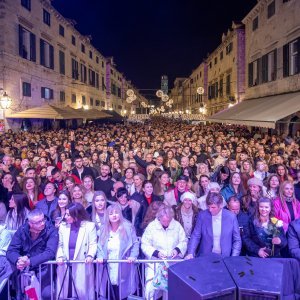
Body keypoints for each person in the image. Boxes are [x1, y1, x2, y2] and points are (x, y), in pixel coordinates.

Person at [7, 209, 58, 300]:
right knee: (29, 296)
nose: (42, 223)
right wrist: (18, 260)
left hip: (44, 269)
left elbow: (50, 252)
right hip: (25, 272)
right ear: (30, 223)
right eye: (38, 222)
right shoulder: (22, 230)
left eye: (43, 220)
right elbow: (11, 250)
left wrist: (29, 261)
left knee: (45, 295)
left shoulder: (51, 230)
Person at [141, 204, 187, 300]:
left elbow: (184, 241)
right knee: (150, 291)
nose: (166, 223)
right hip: (154, 265)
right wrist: (156, 253)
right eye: (164, 221)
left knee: (171, 292)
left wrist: (177, 250)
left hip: (172, 264)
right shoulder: (151, 227)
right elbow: (144, 244)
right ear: (159, 218)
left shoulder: (177, 226)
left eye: (168, 221)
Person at [97, 204, 139, 300]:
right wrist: (100, 257)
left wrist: (133, 256)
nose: (114, 215)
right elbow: (99, 247)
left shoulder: (128, 227)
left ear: (120, 214)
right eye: (111, 214)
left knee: (123, 295)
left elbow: (135, 244)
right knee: (109, 294)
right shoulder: (103, 229)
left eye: (116, 213)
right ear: (108, 216)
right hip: (107, 267)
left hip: (124, 266)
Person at [56, 202, 97, 300]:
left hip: (82, 264)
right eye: (65, 214)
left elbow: (93, 244)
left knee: (81, 293)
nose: (65, 217)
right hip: (65, 265)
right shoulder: (63, 226)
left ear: (76, 215)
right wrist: (60, 257)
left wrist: (90, 255)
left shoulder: (89, 226)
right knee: (65, 292)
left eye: (68, 214)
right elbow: (60, 245)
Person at [186, 192, 241, 258]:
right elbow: (196, 235)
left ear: (220, 205)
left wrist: (234, 257)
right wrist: (191, 252)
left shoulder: (231, 217)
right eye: (208, 207)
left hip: (224, 257)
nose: (210, 210)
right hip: (205, 257)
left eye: (213, 207)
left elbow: (237, 240)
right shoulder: (202, 215)